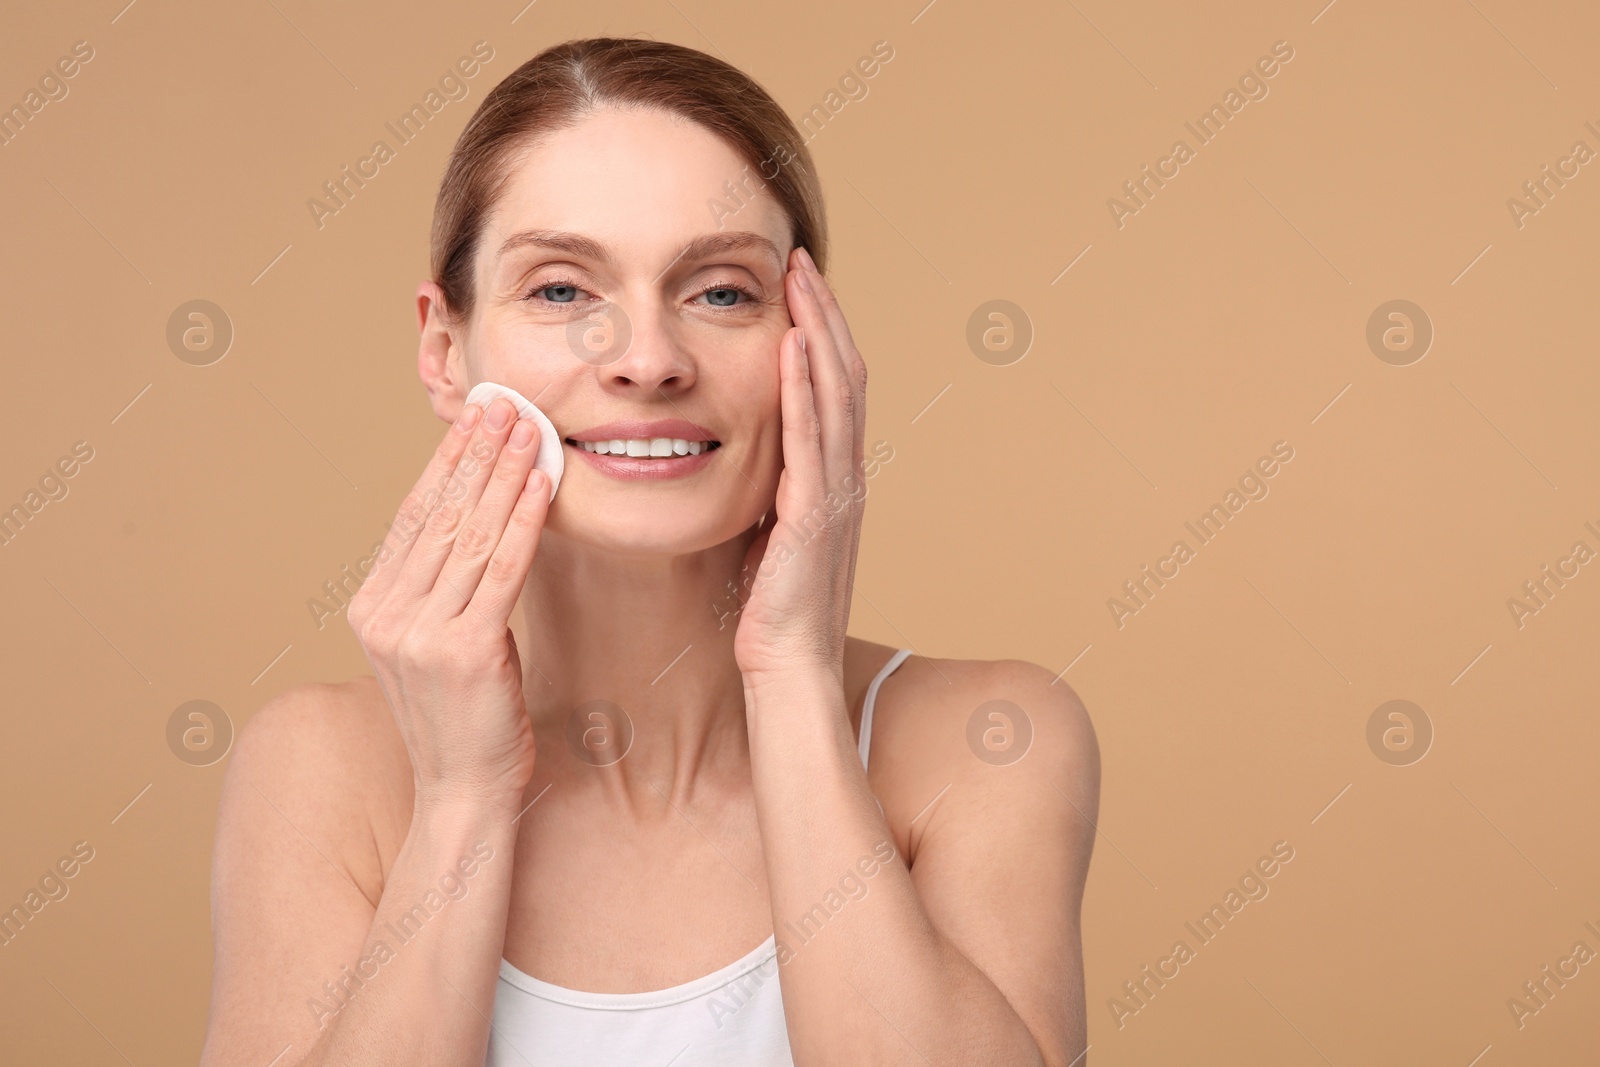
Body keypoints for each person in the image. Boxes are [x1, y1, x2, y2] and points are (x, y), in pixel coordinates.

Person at [200, 36, 1099, 1067]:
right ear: (445, 351)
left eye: (719, 292)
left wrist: (793, 678)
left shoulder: (988, 741)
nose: (648, 360)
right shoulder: (320, 768)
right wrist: (459, 799)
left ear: (813, 338)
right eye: (560, 290)